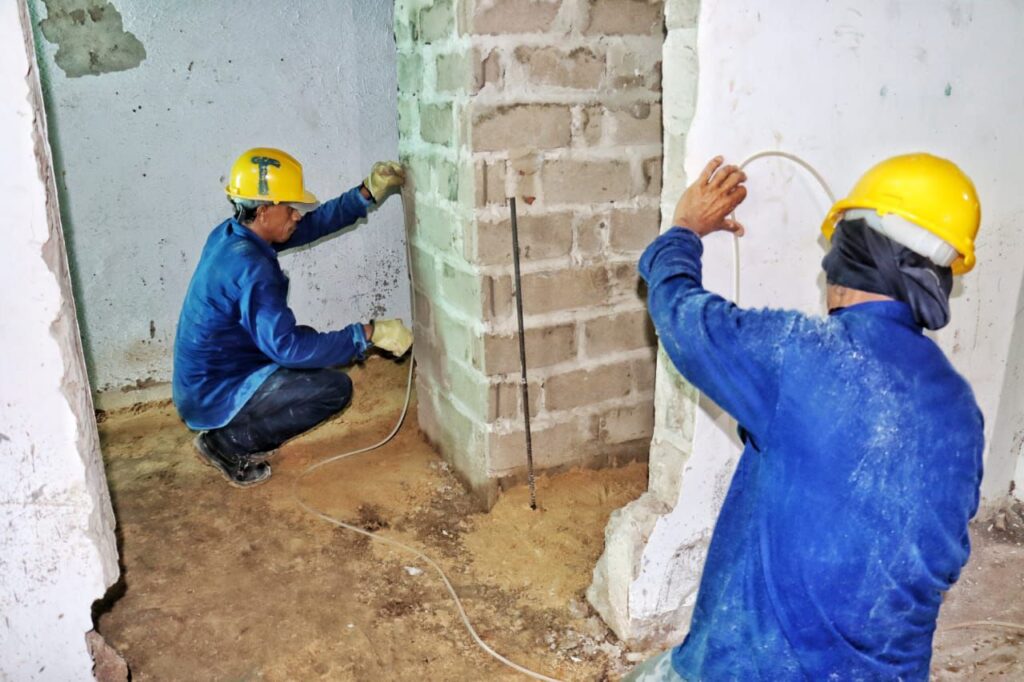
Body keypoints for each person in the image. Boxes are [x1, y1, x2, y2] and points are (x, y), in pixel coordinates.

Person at [625, 154, 984, 680]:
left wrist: (684, 228)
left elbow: (679, 312)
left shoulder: (804, 357)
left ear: (847, 253)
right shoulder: (961, 407)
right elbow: (943, 557)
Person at [173, 147, 413, 488]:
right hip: (217, 390)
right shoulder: (251, 266)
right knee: (332, 389)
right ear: (266, 210)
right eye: (291, 207)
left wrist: (366, 192)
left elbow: (312, 225)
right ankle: (226, 443)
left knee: (312, 349)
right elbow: (288, 349)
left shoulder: (234, 234)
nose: (297, 215)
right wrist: (367, 334)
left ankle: (229, 432)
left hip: (211, 376)